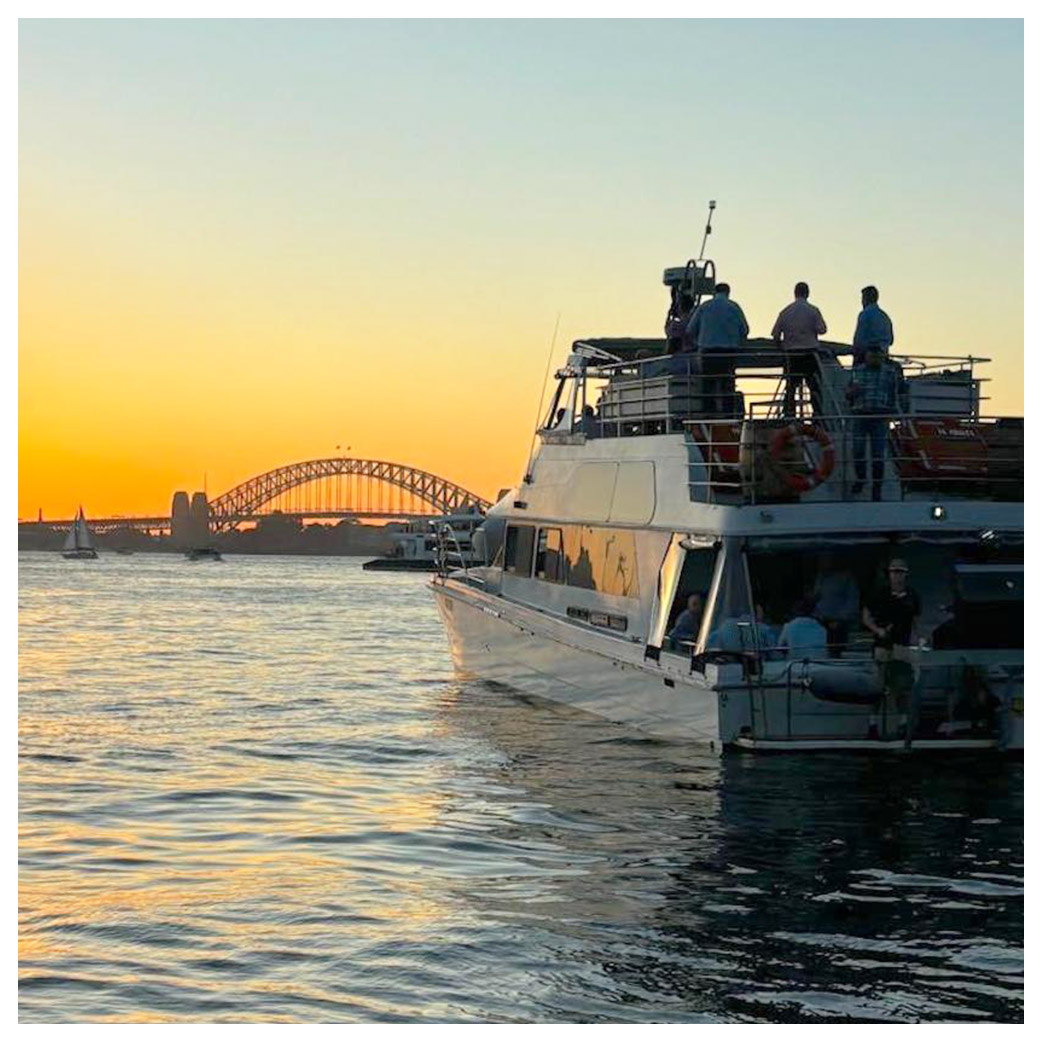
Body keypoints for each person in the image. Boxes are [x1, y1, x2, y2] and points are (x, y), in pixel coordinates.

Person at [863, 558, 921, 723]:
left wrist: (918, 641)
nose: (897, 575)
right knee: (879, 685)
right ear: (888, 574)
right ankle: (873, 722)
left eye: (900, 572)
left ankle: (902, 722)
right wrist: (878, 630)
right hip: (882, 644)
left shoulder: (912, 595)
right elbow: (866, 616)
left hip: (903, 644)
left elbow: (916, 621)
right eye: (894, 571)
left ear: (906, 574)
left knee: (901, 685)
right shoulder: (879, 593)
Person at [846, 347, 908, 501]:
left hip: (880, 416)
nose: (874, 358)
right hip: (860, 414)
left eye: (877, 356)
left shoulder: (890, 373)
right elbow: (847, 394)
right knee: (858, 451)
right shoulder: (857, 371)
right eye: (872, 355)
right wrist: (851, 393)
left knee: (878, 454)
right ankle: (861, 479)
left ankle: (876, 487)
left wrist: (894, 412)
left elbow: (896, 392)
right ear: (867, 356)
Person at [685, 283, 749, 417]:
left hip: (708, 352)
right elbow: (745, 330)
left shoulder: (705, 306)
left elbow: (690, 329)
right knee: (728, 387)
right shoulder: (734, 307)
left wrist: (698, 342)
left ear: (715, 292)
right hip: (728, 352)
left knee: (708, 387)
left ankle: (709, 416)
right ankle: (728, 416)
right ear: (728, 292)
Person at [771, 281, 828, 415]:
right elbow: (822, 330)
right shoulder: (813, 310)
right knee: (814, 387)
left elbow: (775, 335)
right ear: (807, 293)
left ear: (795, 293)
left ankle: (789, 415)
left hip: (791, 355)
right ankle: (817, 415)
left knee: (790, 388)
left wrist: (783, 347)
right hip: (810, 355)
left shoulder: (785, 312)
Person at [813, 554, 861, 656]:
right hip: (820, 623)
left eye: (825, 559)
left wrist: (840, 619)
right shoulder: (820, 576)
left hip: (838, 624)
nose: (823, 562)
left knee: (837, 653)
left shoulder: (846, 577)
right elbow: (817, 597)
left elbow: (853, 600)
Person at [852, 285, 894, 365]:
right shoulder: (885, 316)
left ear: (866, 298)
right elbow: (891, 340)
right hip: (883, 358)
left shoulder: (865, 314)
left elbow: (859, 339)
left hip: (867, 358)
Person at [664, 288, 695, 354]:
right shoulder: (696, 321)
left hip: (682, 354)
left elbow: (669, 331)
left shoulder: (677, 326)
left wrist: (669, 317)